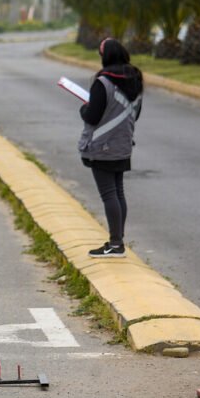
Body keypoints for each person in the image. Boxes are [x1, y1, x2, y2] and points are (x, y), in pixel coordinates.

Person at [78, 38, 143, 258]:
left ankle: (116, 244)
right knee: (118, 192)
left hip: (102, 146)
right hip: (123, 144)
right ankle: (118, 241)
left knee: (109, 195)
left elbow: (92, 115)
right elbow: (136, 113)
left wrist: (83, 109)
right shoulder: (135, 80)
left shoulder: (103, 82)